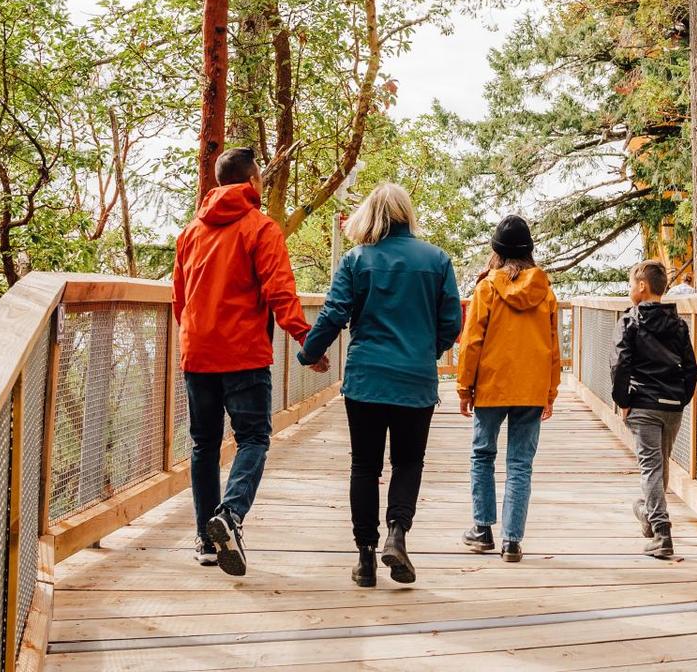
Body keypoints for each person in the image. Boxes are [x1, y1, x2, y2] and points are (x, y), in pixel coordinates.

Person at [298, 181, 462, 588]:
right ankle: (397, 533)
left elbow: (334, 313)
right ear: (407, 214)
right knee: (408, 462)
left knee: (364, 466)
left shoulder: (357, 260)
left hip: (367, 379)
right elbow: (452, 324)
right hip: (414, 380)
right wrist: (427, 351)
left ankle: (366, 558)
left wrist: (309, 352)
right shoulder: (437, 260)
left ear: (371, 214)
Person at [172, 147, 325, 577]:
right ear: (252, 182)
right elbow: (280, 291)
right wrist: (306, 340)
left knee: (204, 444)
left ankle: (205, 539)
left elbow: (179, 300)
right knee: (254, 438)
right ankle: (230, 514)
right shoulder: (261, 228)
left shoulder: (190, 233)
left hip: (197, 354)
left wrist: (194, 338)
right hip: (243, 355)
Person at [456, 215, 561, 563]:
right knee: (520, 464)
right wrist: (550, 391)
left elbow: (472, 341)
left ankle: (483, 530)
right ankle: (512, 541)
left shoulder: (486, 289)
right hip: (530, 388)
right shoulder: (545, 291)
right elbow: (553, 345)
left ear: (497, 252)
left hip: (491, 385)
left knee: (482, 455)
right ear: (529, 251)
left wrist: (463, 387)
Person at [611, 260, 697, 560]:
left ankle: (662, 534)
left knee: (651, 468)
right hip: (672, 406)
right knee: (660, 465)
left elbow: (620, 365)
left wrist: (623, 401)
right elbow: (691, 367)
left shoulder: (630, 321)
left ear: (642, 286)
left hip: (644, 404)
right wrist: (680, 398)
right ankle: (649, 514)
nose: (630, 290)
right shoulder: (679, 324)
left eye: (631, 284)